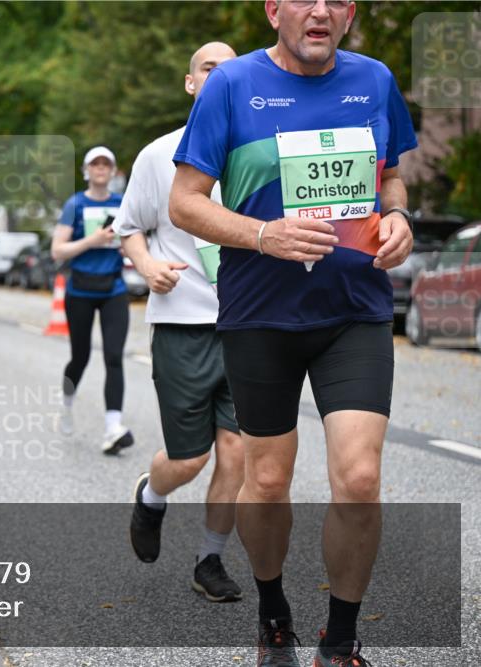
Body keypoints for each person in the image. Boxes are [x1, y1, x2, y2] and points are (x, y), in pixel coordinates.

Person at [168, 2, 417, 665]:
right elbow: (185, 201)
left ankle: (340, 640)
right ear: (274, 9)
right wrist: (261, 234)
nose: (319, 10)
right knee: (269, 479)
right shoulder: (231, 84)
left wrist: (398, 216)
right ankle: (274, 611)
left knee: (360, 476)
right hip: (260, 313)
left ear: (349, 12)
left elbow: (390, 174)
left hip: (355, 308)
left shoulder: (375, 79)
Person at [115, 41, 245, 604]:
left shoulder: (256, 153)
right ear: (190, 83)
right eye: (208, 68)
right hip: (183, 326)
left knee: (238, 453)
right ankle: (152, 495)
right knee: (189, 459)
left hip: (247, 327)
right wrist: (146, 266)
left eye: (229, 69)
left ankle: (210, 559)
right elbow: (130, 227)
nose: (220, 76)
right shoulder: (158, 154)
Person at [50, 146, 132, 456]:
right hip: (80, 291)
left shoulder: (122, 203)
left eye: (106, 163)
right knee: (81, 356)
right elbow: (57, 251)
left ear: (113, 171)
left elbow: (135, 239)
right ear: (87, 170)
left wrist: (128, 248)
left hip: (113, 289)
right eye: (95, 163)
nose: (100, 168)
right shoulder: (75, 204)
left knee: (114, 356)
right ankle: (67, 404)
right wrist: (92, 241)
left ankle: (113, 428)